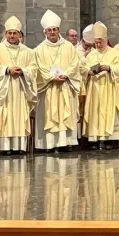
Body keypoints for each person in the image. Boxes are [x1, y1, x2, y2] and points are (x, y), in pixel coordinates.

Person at [0, 16, 38, 154]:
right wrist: (6, 70)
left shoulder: (28, 51)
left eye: (15, 33)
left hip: (21, 89)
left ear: (20, 35)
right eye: (9, 33)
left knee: (20, 116)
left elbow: (34, 69)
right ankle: (4, 147)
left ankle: (19, 147)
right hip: (5, 90)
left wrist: (24, 71)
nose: (12, 36)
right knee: (5, 116)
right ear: (5, 34)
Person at [33, 10, 82, 152]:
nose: (52, 32)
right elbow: (38, 67)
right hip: (49, 88)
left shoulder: (68, 47)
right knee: (50, 113)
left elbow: (75, 63)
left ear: (59, 30)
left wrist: (66, 75)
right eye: (49, 30)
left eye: (54, 30)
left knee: (65, 113)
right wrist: (51, 77)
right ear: (45, 32)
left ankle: (66, 143)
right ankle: (49, 144)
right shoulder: (39, 50)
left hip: (66, 85)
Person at [84, 22, 119, 149]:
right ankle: (95, 139)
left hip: (109, 88)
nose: (99, 44)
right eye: (96, 42)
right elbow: (83, 68)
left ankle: (110, 140)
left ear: (106, 40)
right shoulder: (91, 54)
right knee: (95, 112)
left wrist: (109, 68)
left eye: (101, 41)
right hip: (95, 88)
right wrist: (88, 71)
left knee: (110, 112)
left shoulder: (114, 52)